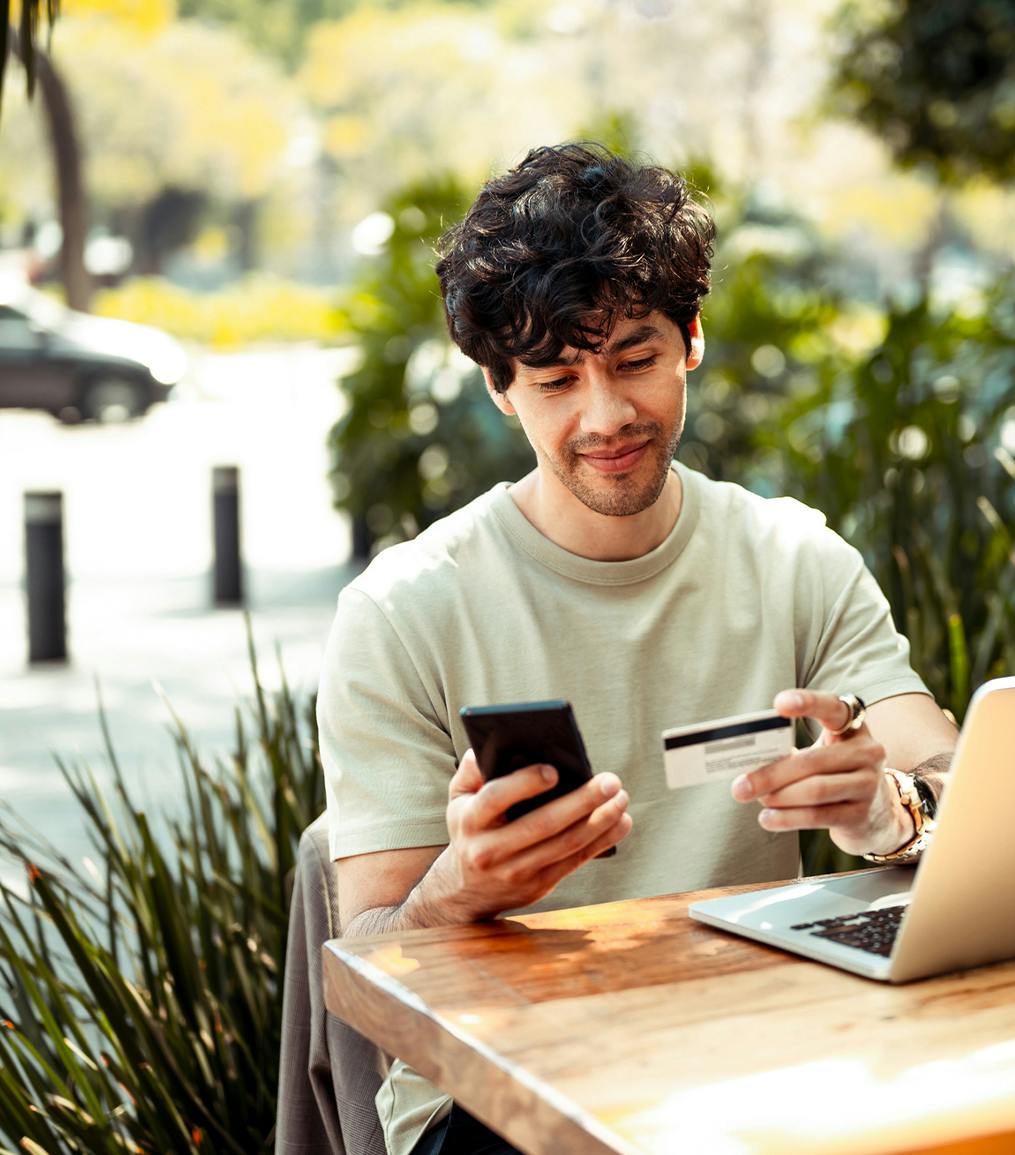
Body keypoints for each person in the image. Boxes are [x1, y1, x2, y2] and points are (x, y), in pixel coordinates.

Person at [316, 142, 959, 1155]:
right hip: (499, 1095)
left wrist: (888, 810)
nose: (606, 416)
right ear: (500, 387)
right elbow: (370, 951)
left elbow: (954, 785)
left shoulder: (794, 559)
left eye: (633, 361)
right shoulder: (403, 610)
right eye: (556, 378)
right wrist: (460, 889)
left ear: (691, 341)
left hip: (761, 1054)